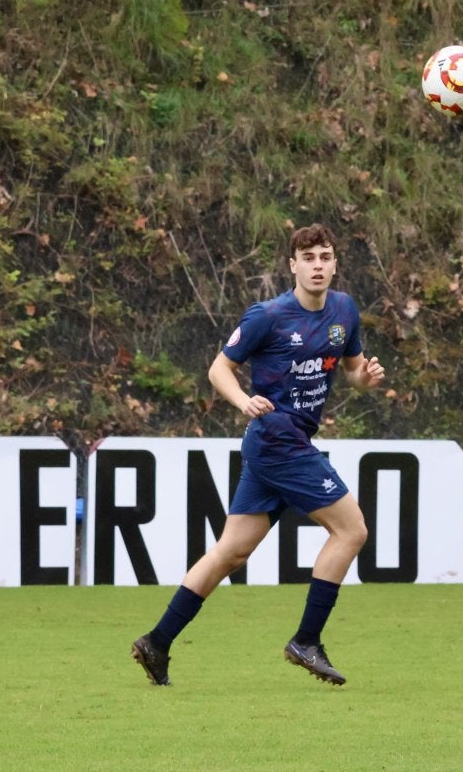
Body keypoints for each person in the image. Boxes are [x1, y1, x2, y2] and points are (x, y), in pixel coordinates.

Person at [131, 224, 386, 688]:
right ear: (293, 265)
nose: (317, 266)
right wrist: (243, 401)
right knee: (351, 530)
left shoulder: (344, 310)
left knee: (230, 552)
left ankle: (157, 641)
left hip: (276, 447)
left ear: (334, 264)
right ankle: (306, 640)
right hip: (279, 443)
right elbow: (219, 368)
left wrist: (364, 380)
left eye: (324, 257)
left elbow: (352, 369)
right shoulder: (267, 316)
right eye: (307, 258)